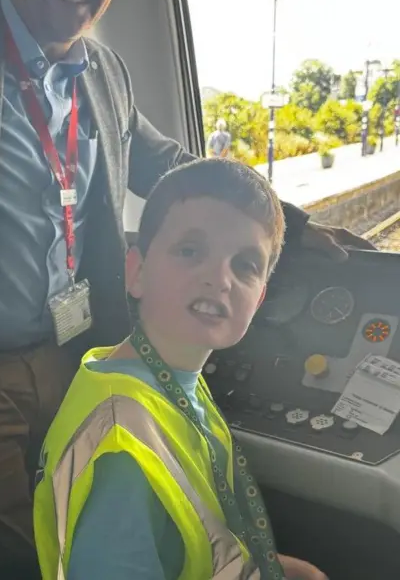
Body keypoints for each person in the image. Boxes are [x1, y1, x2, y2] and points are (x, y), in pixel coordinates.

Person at [0, 0, 372, 575]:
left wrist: (287, 221)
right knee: (27, 553)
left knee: (102, 508)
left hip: (75, 353)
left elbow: (170, 162)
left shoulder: (106, 73)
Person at [34, 158, 327, 580]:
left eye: (245, 264)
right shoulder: (122, 452)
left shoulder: (171, 377)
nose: (219, 278)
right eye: (190, 251)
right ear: (136, 272)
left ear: (259, 299)